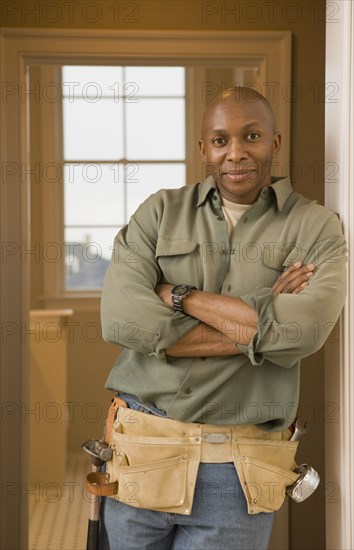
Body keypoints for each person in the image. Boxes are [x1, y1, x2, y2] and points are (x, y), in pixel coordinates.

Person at [99, 87, 347, 550]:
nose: (236, 153)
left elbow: (303, 332)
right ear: (203, 148)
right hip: (141, 452)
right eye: (220, 140)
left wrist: (178, 296)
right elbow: (123, 321)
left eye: (251, 136)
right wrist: (262, 316)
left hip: (239, 468)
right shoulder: (159, 212)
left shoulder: (316, 227)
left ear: (274, 142)